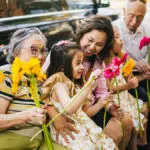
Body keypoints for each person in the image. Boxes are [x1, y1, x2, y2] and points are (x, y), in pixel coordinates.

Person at [0, 27, 73, 150]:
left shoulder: (40, 78)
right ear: (16, 51)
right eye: (33, 50)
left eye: (43, 51)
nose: (40, 56)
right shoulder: (6, 75)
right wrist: (25, 116)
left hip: (39, 140)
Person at [42, 41, 118, 150]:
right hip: (70, 134)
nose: (82, 67)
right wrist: (88, 86)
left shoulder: (73, 85)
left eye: (82, 62)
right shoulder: (59, 85)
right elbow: (69, 109)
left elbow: (82, 112)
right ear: (63, 67)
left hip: (82, 128)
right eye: (78, 63)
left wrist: (102, 103)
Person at [75, 15, 134, 150]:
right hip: (75, 110)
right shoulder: (64, 52)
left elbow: (101, 92)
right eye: (90, 40)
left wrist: (109, 107)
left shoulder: (97, 62)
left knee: (124, 124)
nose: (91, 47)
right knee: (115, 131)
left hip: (92, 107)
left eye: (99, 45)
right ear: (82, 33)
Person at [105, 26, 149, 150]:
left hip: (125, 96)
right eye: (117, 38)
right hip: (117, 99)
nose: (122, 41)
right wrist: (128, 85)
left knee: (143, 111)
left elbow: (129, 79)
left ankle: (141, 143)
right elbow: (110, 89)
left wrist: (141, 77)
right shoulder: (106, 63)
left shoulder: (121, 57)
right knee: (134, 121)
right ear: (108, 43)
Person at [113, 0, 150, 144]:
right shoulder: (115, 28)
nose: (135, 21)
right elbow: (119, 55)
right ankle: (143, 141)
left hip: (144, 72)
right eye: (131, 16)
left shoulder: (147, 27)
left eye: (140, 17)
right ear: (124, 12)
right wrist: (136, 65)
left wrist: (146, 64)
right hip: (126, 75)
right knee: (144, 98)